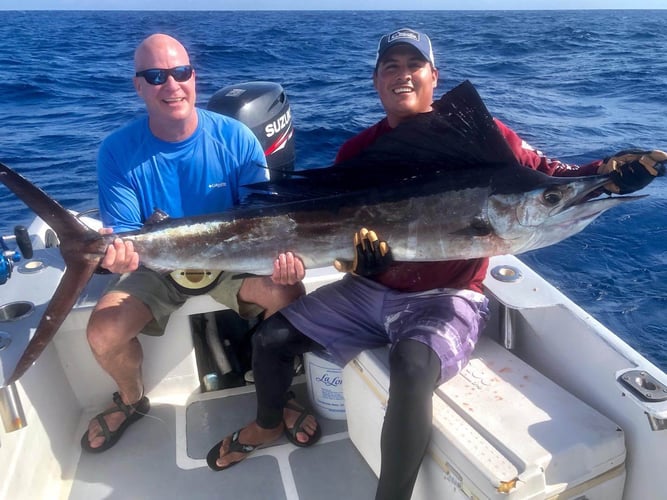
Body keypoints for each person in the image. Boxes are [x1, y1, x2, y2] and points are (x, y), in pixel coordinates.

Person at [206, 27, 666, 499]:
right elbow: (338, 245)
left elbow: (551, 178)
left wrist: (608, 176)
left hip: (448, 297)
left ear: (433, 76)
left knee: (411, 367)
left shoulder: (492, 140)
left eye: (413, 66)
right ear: (376, 80)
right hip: (369, 291)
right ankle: (265, 424)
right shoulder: (356, 151)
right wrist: (364, 265)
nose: (403, 75)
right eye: (391, 67)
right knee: (271, 337)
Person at [81, 33, 306, 453]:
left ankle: (280, 392)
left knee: (289, 292)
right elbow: (128, 235)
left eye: (181, 72)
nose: (172, 85)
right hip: (156, 269)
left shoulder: (236, 137)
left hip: (229, 263)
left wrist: (283, 258)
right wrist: (116, 258)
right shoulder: (116, 151)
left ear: (194, 77)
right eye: (156, 75)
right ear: (139, 86)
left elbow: (262, 218)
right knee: (103, 332)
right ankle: (131, 400)